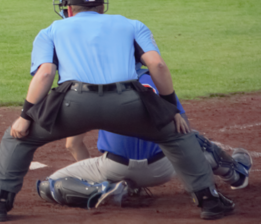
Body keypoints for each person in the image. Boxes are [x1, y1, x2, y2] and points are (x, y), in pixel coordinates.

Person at [0, 0, 237, 221]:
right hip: (129, 104)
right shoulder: (131, 24)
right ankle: (209, 200)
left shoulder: (52, 29)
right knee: (178, 136)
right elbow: (157, 65)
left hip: (74, 104)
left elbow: (46, 74)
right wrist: (170, 109)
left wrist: (26, 116)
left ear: (69, 10)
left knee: (19, 138)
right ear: (101, 8)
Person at [37, 70, 252, 210]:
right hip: (164, 167)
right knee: (196, 140)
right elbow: (183, 133)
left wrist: (99, 178)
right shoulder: (155, 82)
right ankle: (236, 174)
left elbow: (72, 144)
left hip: (114, 168)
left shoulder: (97, 86)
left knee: (49, 186)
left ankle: (103, 190)